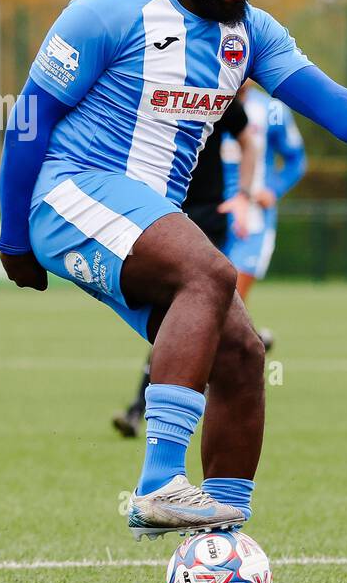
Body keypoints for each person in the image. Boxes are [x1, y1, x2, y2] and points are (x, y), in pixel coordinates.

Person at [0, 0, 347, 540]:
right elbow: (28, 122)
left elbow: (328, 99)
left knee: (243, 353)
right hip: (72, 194)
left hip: (147, 219)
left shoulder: (251, 34)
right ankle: (159, 482)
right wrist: (13, 238)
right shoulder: (106, 12)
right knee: (212, 274)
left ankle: (220, 543)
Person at [109, 95, 257, 439]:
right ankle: (166, 399)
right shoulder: (151, 87)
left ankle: (143, 408)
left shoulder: (216, 94)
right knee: (183, 316)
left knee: (185, 313)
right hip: (160, 214)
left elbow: (249, 143)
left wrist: (245, 195)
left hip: (207, 216)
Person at [220, 82, 307, 317]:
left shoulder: (272, 110)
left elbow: (296, 159)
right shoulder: (201, 103)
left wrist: (273, 189)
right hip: (207, 213)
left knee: (231, 297)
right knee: (201, 293)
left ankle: (244, 345)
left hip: (252, 218)